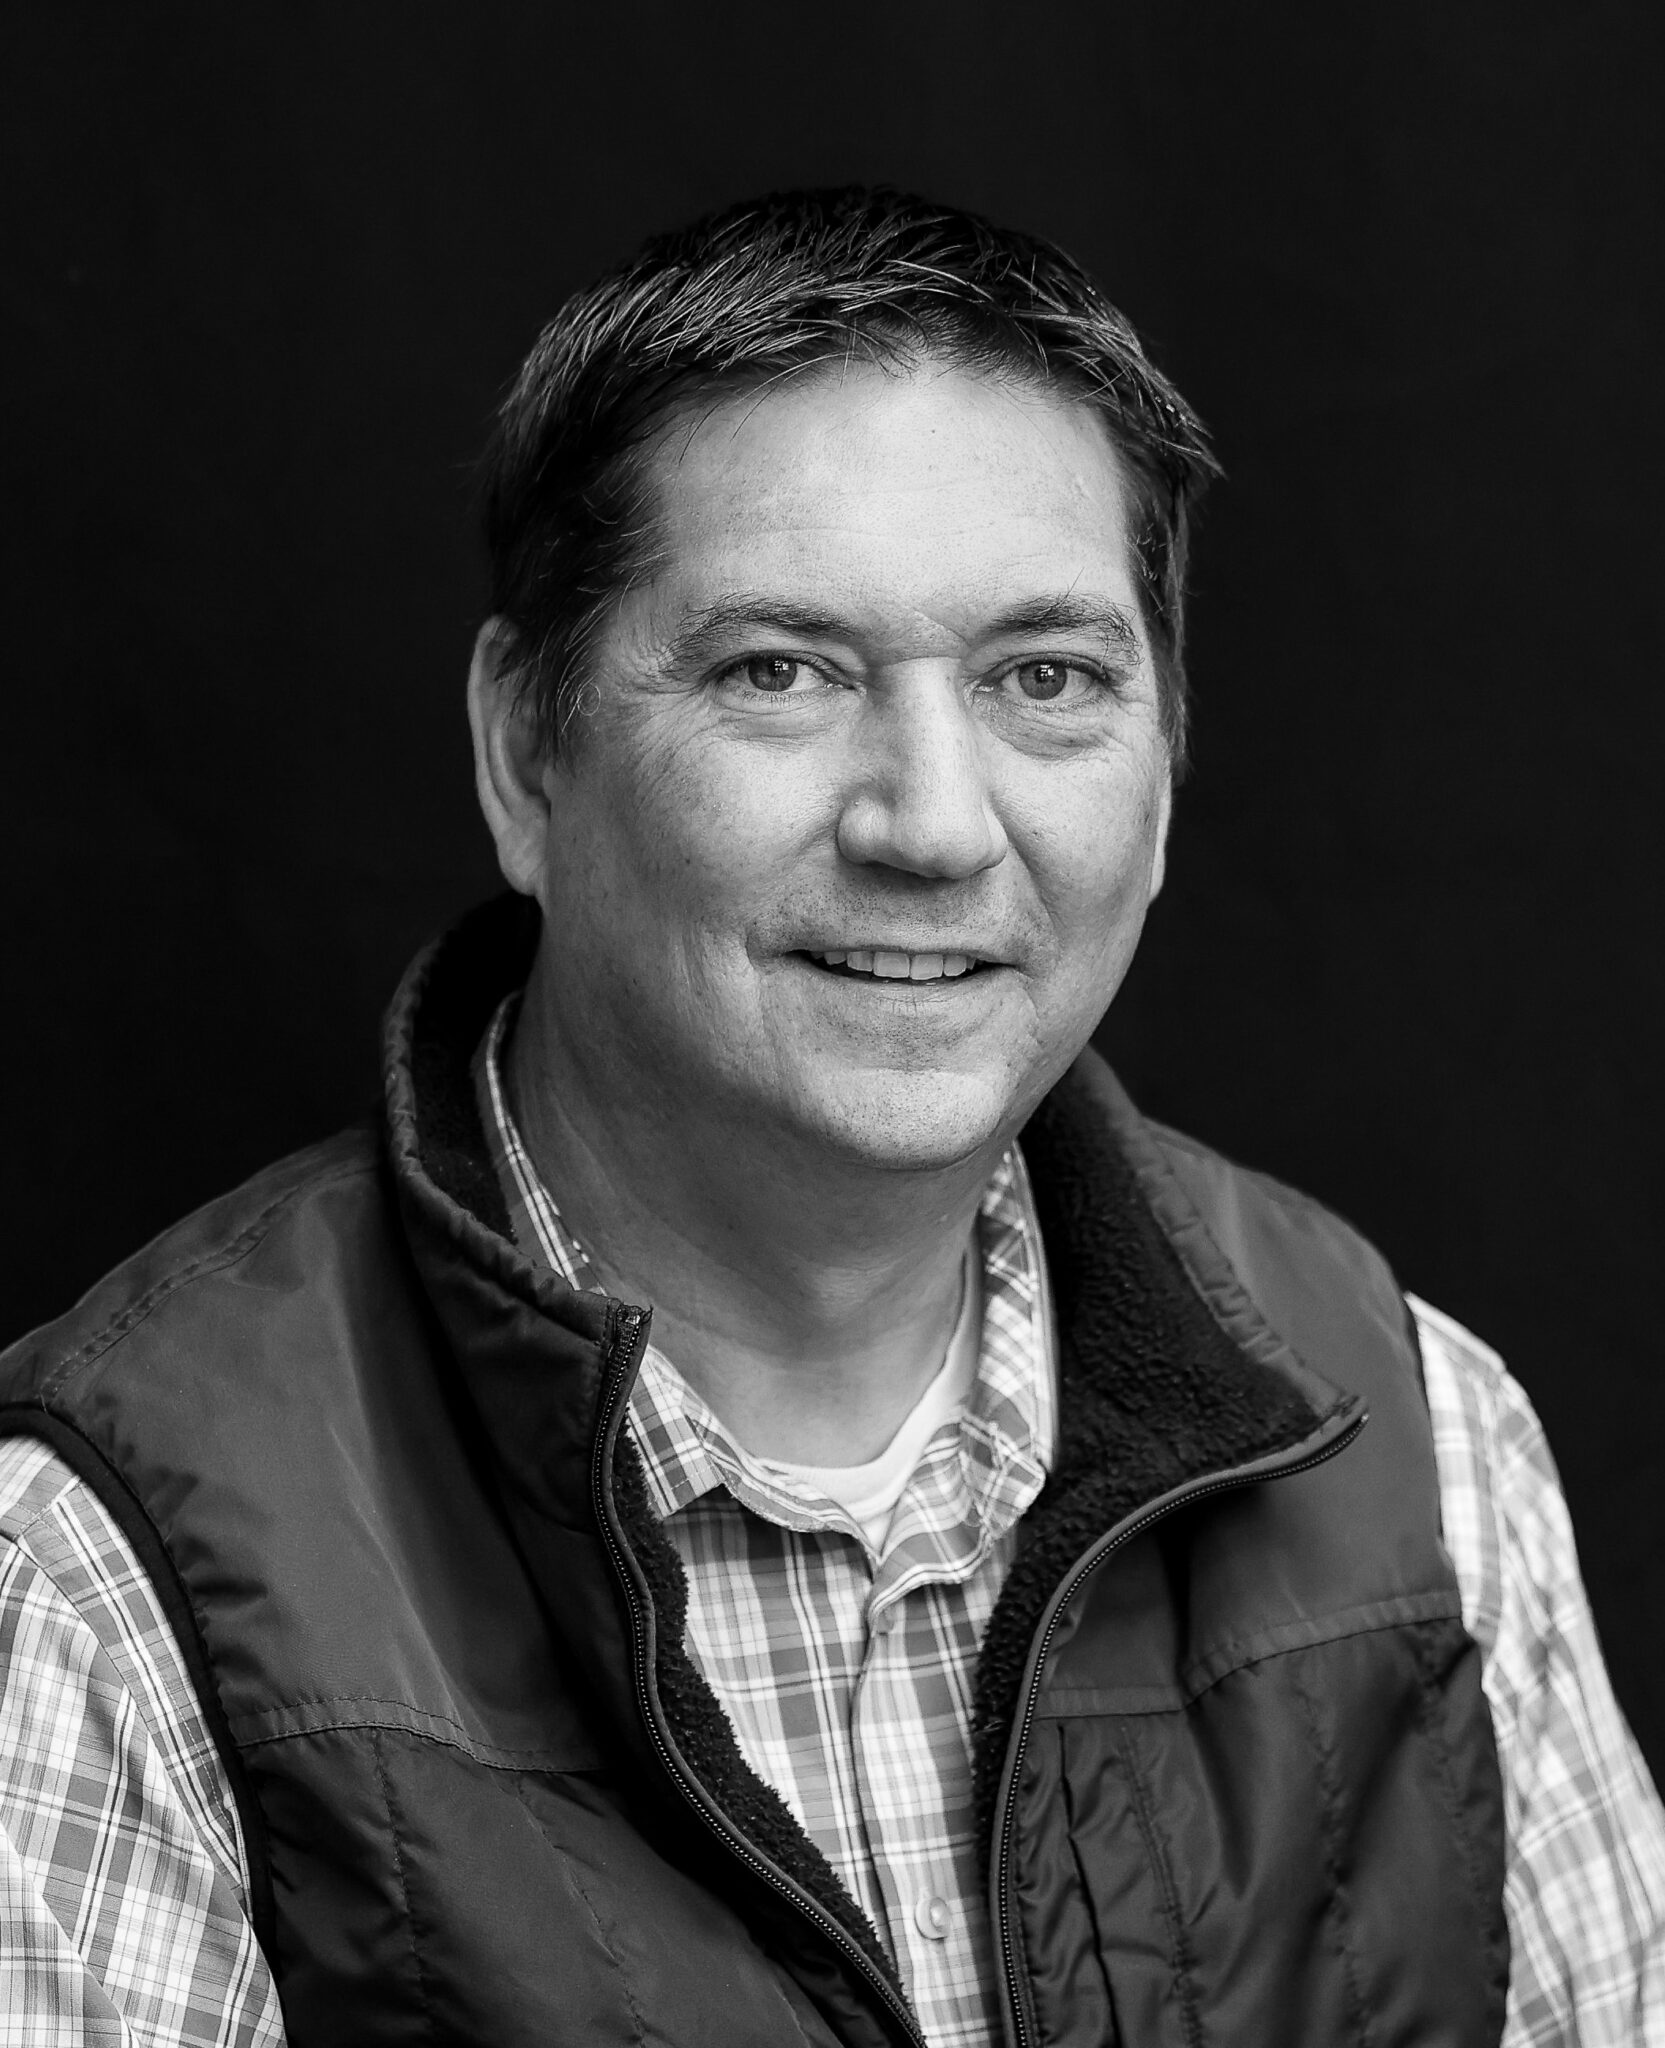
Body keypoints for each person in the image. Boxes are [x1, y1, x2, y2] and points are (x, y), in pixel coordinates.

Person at [1, 187, 1660, 2048]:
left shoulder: (1424, 1459)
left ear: (1164, 767)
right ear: (525, 754)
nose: (933, 823)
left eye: (1045, 680)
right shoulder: (104, 1585)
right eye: (779, 671)